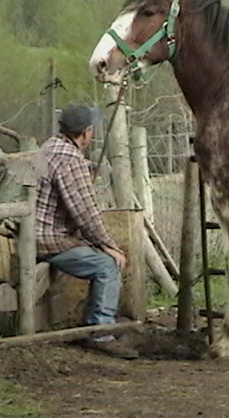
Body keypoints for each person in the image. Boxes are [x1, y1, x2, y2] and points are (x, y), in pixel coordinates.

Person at [35, 102, 139, 360]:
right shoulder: (70, 159)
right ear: (84, 134)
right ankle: (100, 331)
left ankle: (96, 319)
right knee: (107, 265)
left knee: (101, 255)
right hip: (48, 238)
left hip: (35, 231)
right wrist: (109, 244)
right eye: (91, 130)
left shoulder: (49, 147)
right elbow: (85, 212)